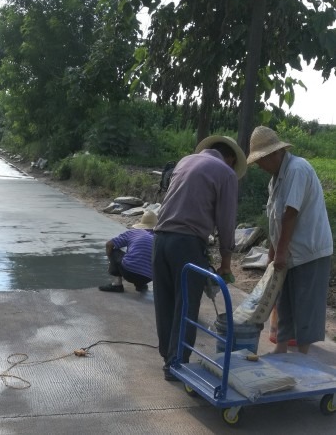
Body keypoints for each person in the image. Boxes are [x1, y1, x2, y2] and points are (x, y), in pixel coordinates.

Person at [152, 135, 247, 381]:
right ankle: (176, 362)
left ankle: (168, 357)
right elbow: (226, 221)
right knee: (186, 304)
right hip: (186, 243)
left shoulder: (185, 161)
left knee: (165, 300)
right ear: (231, 159)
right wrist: (226, 260)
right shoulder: (225, 173)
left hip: (160, 237)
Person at [247, 126, 333, 354]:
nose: (258, 166)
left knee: (305, 305)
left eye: (260, 160)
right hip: (289, 250)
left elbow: (290, 214)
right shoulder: (274, 180)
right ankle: (281, 350)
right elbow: (275, 220)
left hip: (309, 250)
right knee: (284, 301)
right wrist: (273, 253)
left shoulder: (297, 169)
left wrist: (281, 252)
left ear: (273, 154)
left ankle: (303, 356)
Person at [99, 210, 157, 293]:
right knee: (143, 257)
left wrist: (111, 262)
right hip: (148, 278)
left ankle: (117, 285)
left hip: (129, 273)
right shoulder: (158, 238)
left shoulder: (133, 232)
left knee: (114, 251)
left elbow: (109, 244)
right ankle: (140, 285)